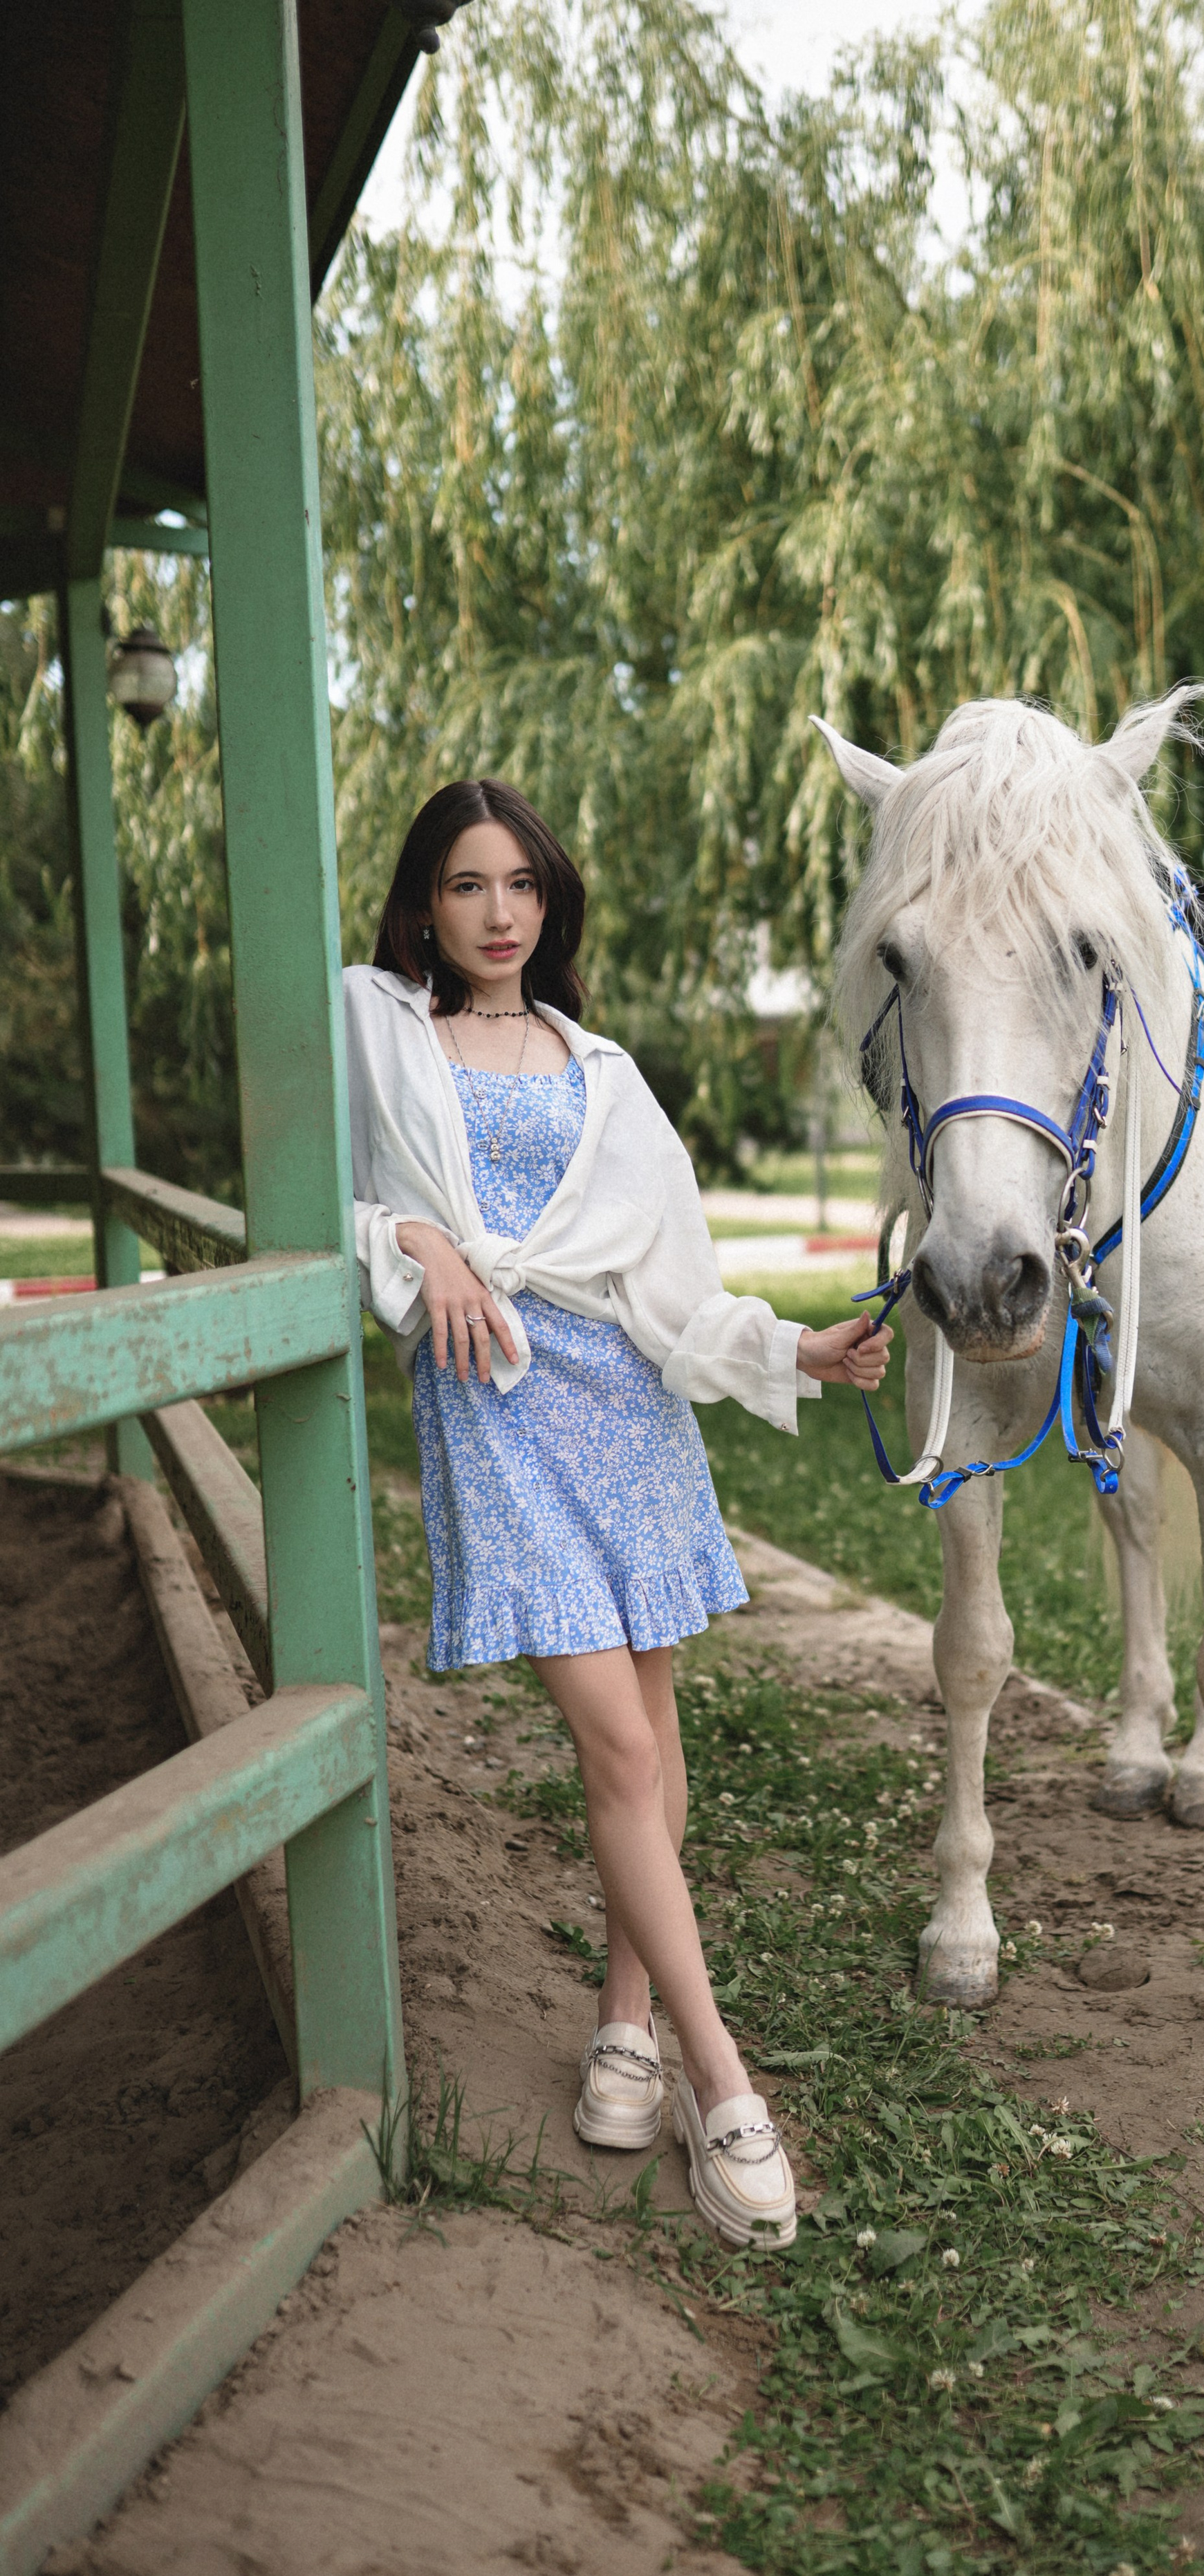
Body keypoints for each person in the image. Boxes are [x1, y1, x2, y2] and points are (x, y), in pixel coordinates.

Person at [344, 778, 891, 2248]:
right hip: (494, 1410)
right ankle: (723, 2082)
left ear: (551, 901)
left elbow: (674, 1283)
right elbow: (314, 1193)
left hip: (626, 1409)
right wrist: (410, 1237)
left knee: (648, 1732)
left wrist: (797, 1350)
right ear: (423, 906)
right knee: (620, 1745)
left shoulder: (604, 1069)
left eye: (522, 885)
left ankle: (627, 2026)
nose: (500, 914)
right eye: (469, 885)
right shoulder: (376, 1030)